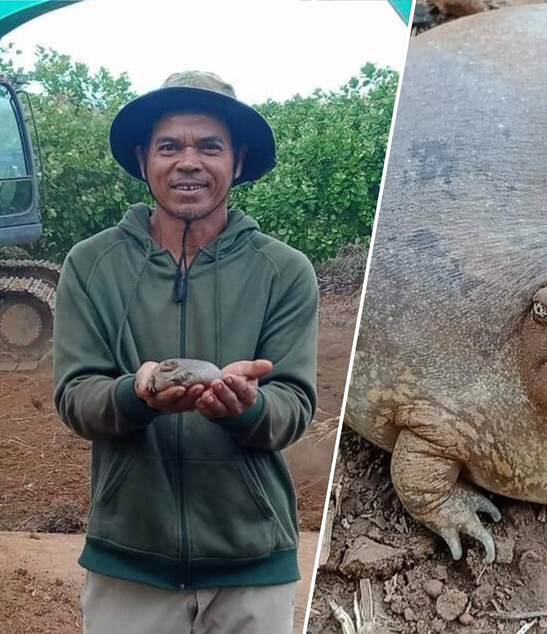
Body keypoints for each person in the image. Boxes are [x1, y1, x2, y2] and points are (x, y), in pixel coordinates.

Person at [52, 70, 318, 634]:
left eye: (209, 146)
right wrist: (137, 391)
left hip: (252, 565)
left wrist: (247, 406)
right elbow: (77, 396)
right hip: (130, 561)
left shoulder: (284, 272)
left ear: (238, 161)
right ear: (144, 157)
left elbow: (293, 403)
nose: (189, 161)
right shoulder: (90, 265)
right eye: (170, 146)